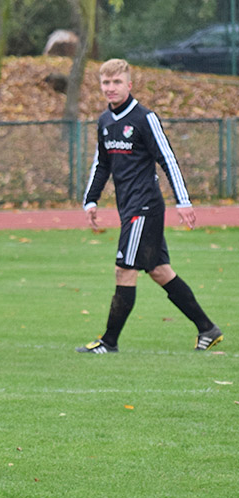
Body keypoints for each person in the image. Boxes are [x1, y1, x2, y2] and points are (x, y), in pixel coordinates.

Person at [78, 59, 223, 354]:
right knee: (159, 270)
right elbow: (102, 164)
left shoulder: (144, 118)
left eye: (117, 82)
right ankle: (208, 329)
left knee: (124, 270)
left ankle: (109, 342)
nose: (111, 88)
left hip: (144, 207)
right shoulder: (105, 122)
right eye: (106, 83)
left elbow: (167, 159)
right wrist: (90, 199)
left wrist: (183, 201)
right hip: (127, 206)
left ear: (129, 85)